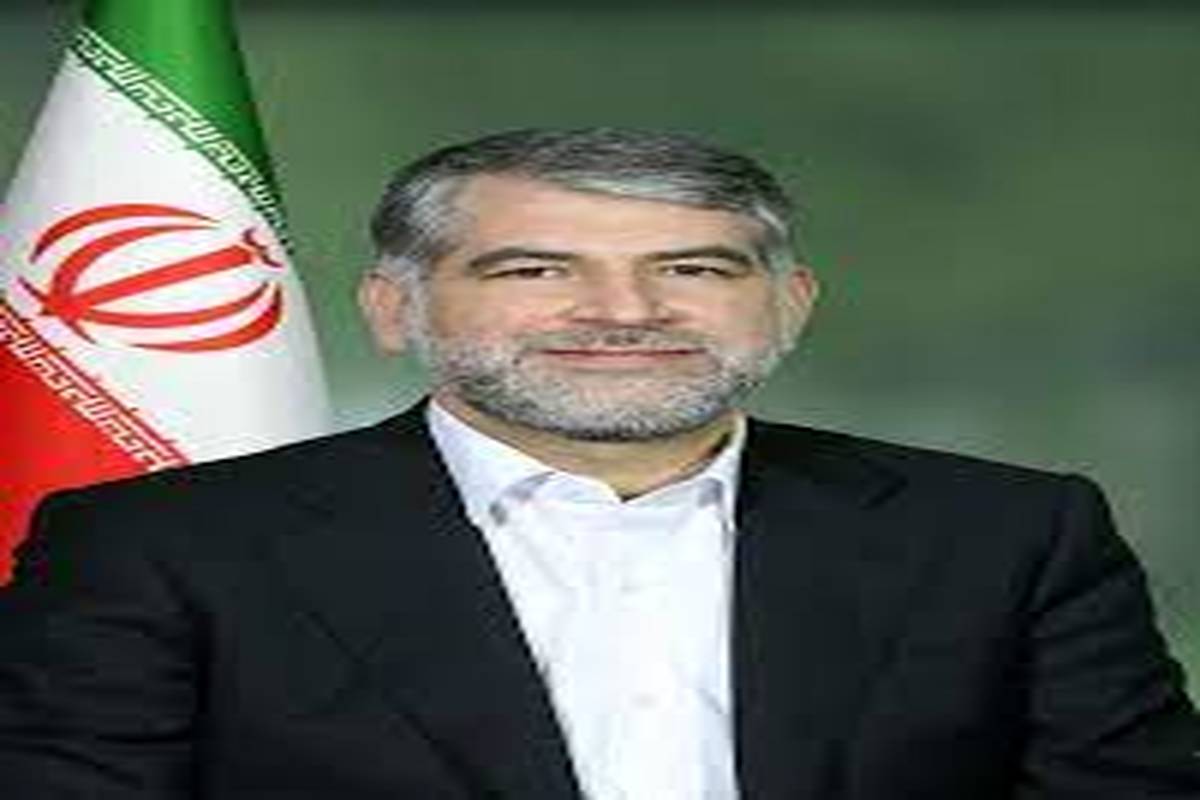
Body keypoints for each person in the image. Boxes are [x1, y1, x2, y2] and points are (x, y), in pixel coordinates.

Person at [1, 128, 1197, 800]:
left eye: (695, 269)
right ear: (393, 309)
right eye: (534, 269)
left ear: (790, 303)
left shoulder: (1008, 533)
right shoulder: (159, 547)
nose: (624, 311)